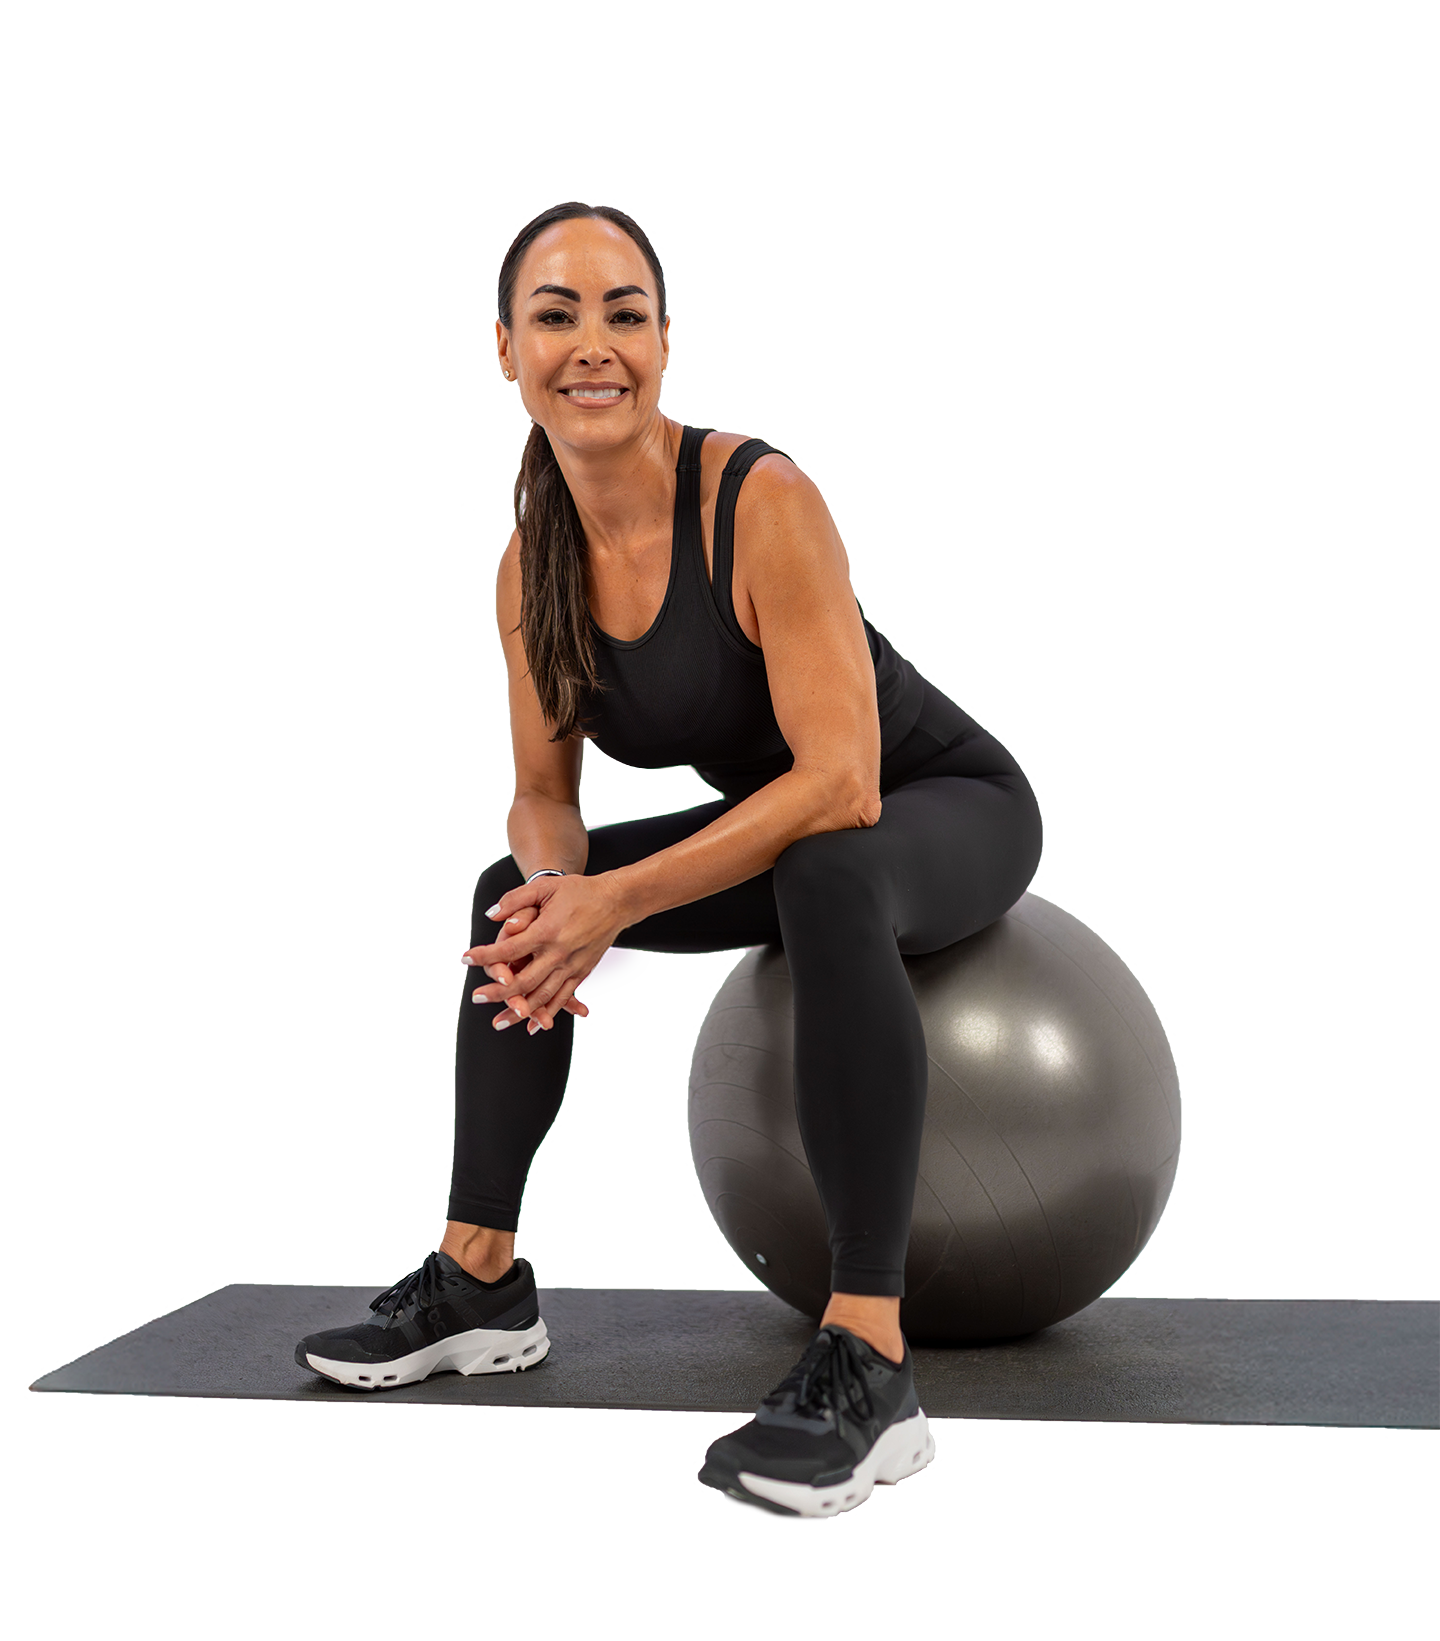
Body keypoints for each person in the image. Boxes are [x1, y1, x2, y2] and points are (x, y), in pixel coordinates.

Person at [296, 203, 1043, 1517]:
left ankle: (868, 1361)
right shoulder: (534, 569)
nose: (594, 345)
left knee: (827, 871)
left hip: (940, 807)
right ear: (505, 353)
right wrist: (553, 900)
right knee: (505, 900)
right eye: (557, 314)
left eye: (625, 313)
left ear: (664, 345)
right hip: (799, 827)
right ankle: (479, 1276)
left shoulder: (760, 498)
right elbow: (543, 794)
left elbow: (842, 781)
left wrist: (615, 904)